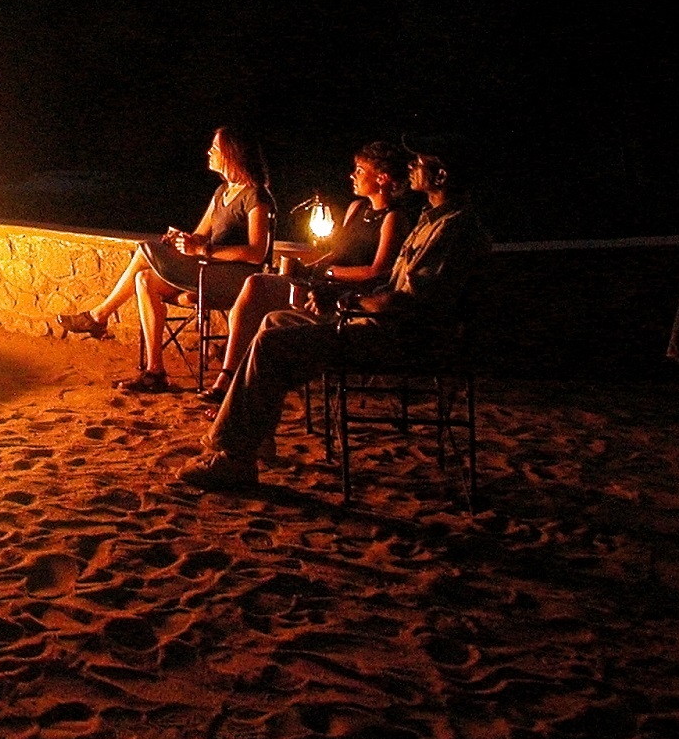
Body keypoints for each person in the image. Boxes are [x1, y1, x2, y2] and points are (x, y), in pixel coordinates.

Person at [177, 139, 490, 491]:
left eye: (419, 162)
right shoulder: (431, 220)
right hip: (379, 323)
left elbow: (406, 301)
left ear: (441, 175)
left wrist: (345, 302)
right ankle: (251, 436)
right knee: (274, 321)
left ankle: (232, 457)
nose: (411, 166)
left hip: (398, 338)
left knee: (272, 344)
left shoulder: (452, 230)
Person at [57, 126, 274, 393]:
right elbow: (199, 236)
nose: (209, 152)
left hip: (235, 279)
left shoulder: (256, 196)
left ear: (232, 154)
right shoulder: (222, 193)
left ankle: (98, 315)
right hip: (207, 271)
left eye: (215, 148)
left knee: (144, 249)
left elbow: (256, 253)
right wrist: (184, 241)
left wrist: (204, 252)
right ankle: (154, 372)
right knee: (144, 279)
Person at [195, 140, 410, 405]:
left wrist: (329, 273)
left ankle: (232, 378)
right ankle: (233, 374)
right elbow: (337, 251)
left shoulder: (393, 218)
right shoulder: (357, 208)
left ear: (382, 178)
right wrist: (311, 267)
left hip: (347, 295)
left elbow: (378, 271)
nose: (352, 175)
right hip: (324, 282)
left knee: (258, 288)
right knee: (257, 287)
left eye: (359, 169)